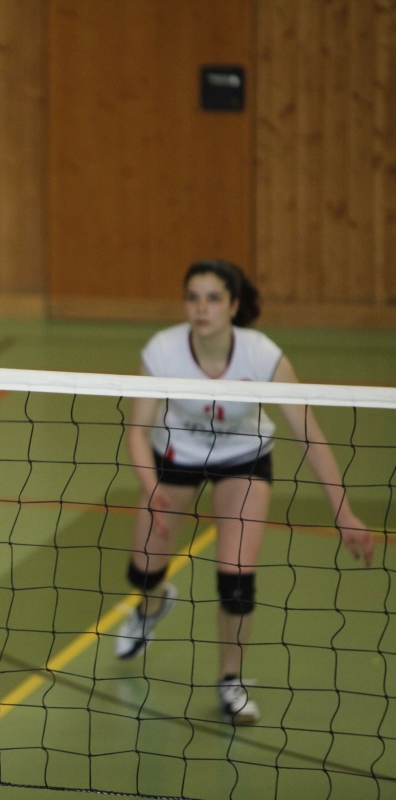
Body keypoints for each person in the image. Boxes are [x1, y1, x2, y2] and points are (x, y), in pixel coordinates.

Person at [114, 258, 374, 725]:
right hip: (175, 456)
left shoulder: (262, 356)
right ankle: (151, 606)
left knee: (236, 580)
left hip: (243, 458)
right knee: (143, 571)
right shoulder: (163, 351)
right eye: (193, 298)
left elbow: (311, 437)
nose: (201, 308)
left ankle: (230, 680)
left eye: (213, 298)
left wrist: (343, 511)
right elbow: (137, 431)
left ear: (234, 306)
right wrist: (152, 489)